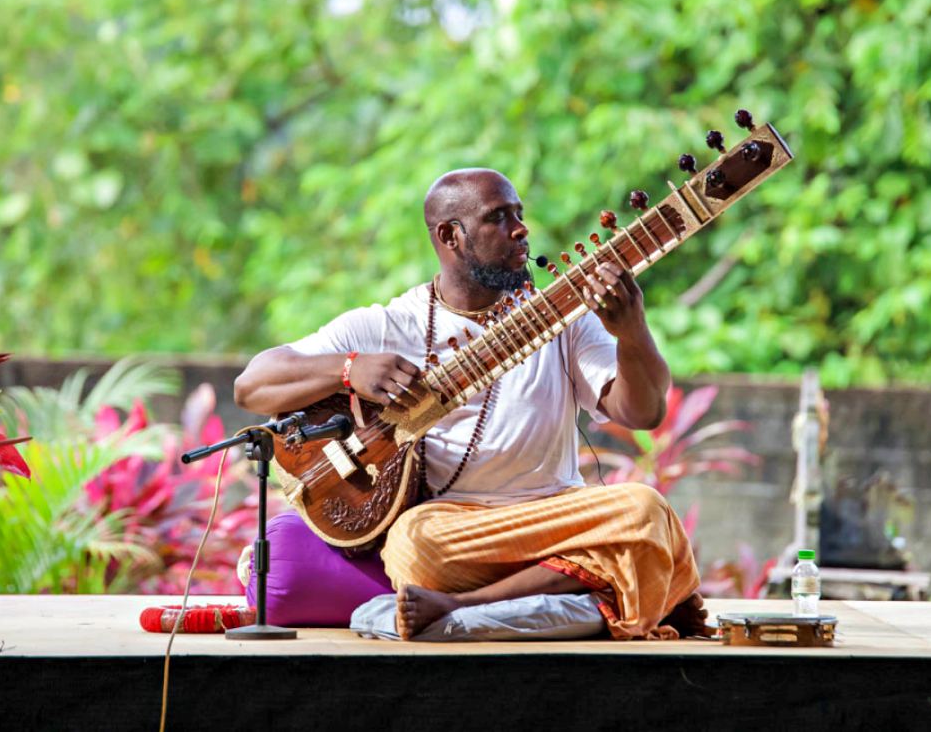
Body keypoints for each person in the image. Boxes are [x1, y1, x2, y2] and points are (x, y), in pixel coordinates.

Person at [233, 168, 708, 640]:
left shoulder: (566, 320)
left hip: (559, 520)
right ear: (450, 235)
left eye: (520, 214)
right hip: (456, 531)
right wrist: (349, 369)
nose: (521, 229)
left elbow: (642, 413)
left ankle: (463, 607)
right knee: (411, 544)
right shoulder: (387, 325)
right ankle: (578, 595)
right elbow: (253, 386)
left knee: (643, 510)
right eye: (499, 218)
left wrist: (632, 332)